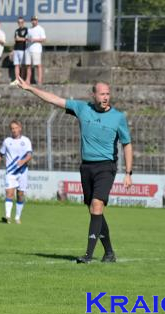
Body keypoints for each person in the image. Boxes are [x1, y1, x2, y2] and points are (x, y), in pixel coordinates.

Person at [16, 76, 133, 264]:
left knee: (97, 205)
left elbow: (127, 144)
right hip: (86, 167)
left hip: (106, 167)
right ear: (93, 95)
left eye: (108, 94)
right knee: (95, 211)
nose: (105, 97)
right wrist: (30, 88)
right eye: (102, 94)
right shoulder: (82, 108)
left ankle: (88, 255)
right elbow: (54, 99)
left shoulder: (118, 117)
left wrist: (128, 172)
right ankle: (109, 253)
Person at [0, 120, 33, 224]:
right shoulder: (7, 141)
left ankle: (17, 217)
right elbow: (0, 155)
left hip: (22, 171)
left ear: (20, 128)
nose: (13, 130)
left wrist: (23, 161)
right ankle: (7, 217)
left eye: (15, 128)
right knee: (9, 193)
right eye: (12, 128)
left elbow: (29, 155)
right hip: (10, 172)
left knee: (20, 195)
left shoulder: (26, 141)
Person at [25, 16, 47, 85]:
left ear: (37, 21)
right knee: (28, 65)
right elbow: (27, 38)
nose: (33, 21)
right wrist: (27, 40)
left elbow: (43, 39)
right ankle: (28, 80)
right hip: (28, 49)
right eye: (32, 20)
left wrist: (34, 40)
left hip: (36, 50)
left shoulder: (40, 29)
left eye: (35, 20)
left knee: (38, 65)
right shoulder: (29, 29)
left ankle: (40, 80)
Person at [11, 17, 28, 85]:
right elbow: (16, 39)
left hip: (23, 49)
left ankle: (22, 79)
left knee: (23, 65)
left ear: (23, 22)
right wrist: (13, 50)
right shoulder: (16, 30)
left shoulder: (27, 30)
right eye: (19, 22)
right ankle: (17, 79)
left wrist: (19, 38)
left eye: (21, 22)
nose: (20, 23)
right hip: (16, 49)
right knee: (16, 65)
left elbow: (26, 39)